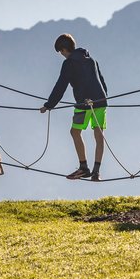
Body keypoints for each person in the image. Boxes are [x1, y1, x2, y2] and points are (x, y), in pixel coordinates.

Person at [40, 33, 108, 181]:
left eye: (61, 52)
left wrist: (49, 105)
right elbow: (101, 80)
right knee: (99, 134)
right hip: (101, 101)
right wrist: (104, 98)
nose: (62, 55)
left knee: (75, 132)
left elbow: (60, 86)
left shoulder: (69, 63)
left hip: (84, 104)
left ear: (64, 49)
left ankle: (84, 168)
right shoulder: (91, 60)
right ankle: (96, 172)